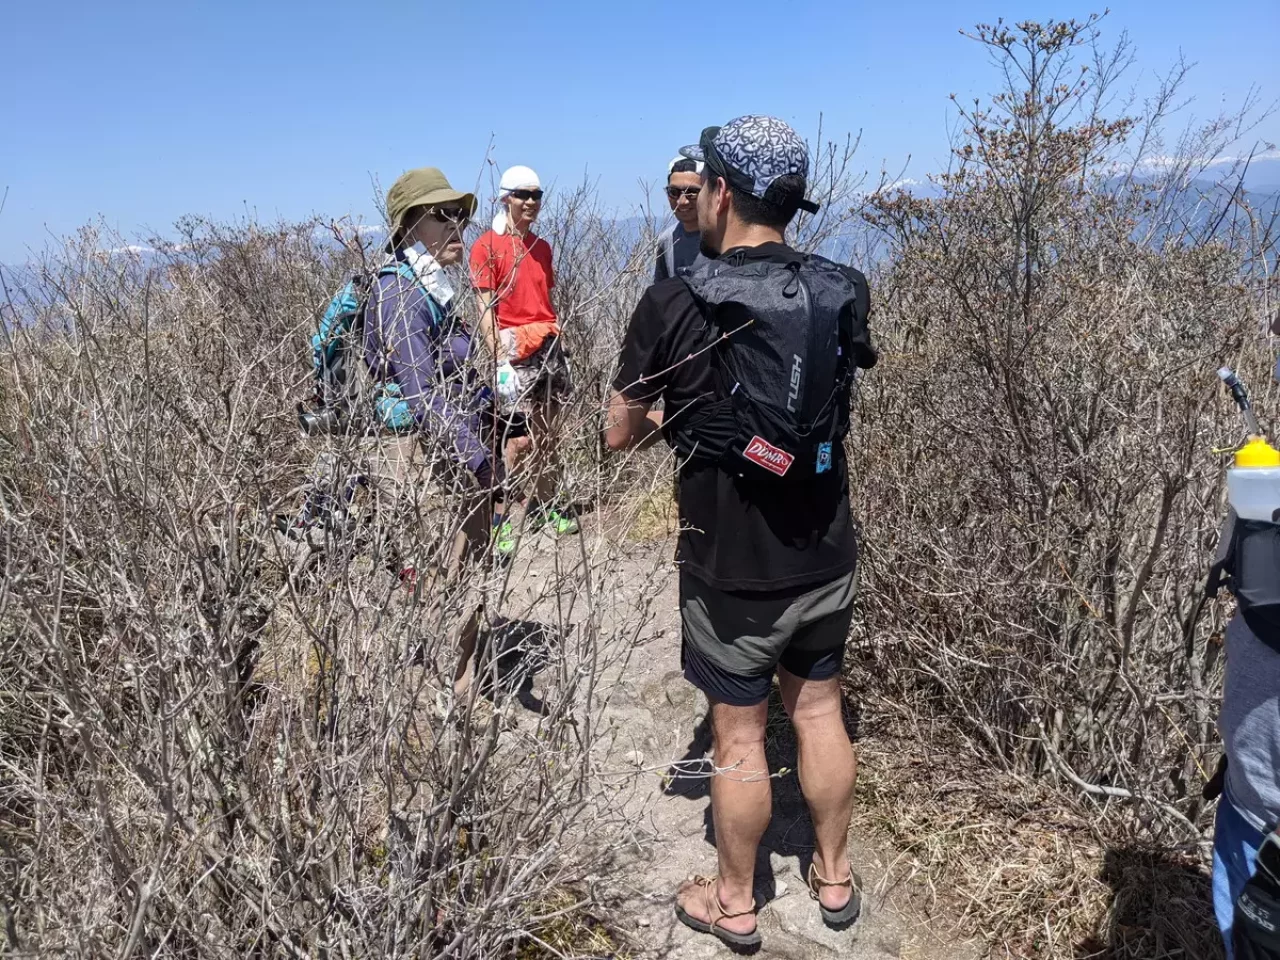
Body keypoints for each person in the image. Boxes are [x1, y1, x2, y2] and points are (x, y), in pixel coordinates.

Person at [605, 115, 876, 950]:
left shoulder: (675, 301)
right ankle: (833, 878)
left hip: (732, 561)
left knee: (740, 729)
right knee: (821, 713)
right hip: (825, 542)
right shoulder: (842, 285)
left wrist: (679, 416)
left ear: (720, 191)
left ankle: (732, 900)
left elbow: (618, 434)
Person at [363, 166, 504, 700]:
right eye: (441, 216)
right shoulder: (401, 295)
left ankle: (457, 679)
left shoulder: (430, 286)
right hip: (426, 458)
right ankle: (451, 693)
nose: (456, 226)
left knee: (462, 564)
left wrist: (493, 409)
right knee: (449, 572)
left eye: (459, 215)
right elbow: (422, 395)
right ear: (407, 226)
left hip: (450, 446)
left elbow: (451, 371)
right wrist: (483, 463)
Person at [470, 165, 578, 552]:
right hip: (512, 351)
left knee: (548, 434)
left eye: (536, 195)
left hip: (547, 344)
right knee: (514, 441)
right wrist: (499, 358)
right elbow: (485, 305)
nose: (530, 202)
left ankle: (547, 504)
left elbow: (544, 299)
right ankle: (499, 519)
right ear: (506, 198)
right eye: (522, 194)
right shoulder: (486, 246)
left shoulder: (542, 247)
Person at [654, 157, 705, 282]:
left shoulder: (727, 237)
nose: (682, 201)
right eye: (673, 192)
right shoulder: (667, 240)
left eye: (692, 192)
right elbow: (662, 291)